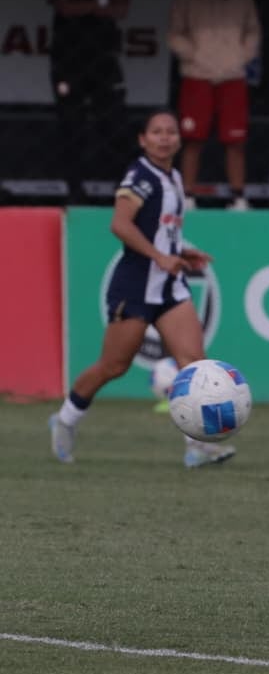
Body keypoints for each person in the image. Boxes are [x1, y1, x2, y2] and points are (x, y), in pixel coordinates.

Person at [48, 109, 234, 470]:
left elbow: (162, 232)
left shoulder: (176, 178)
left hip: (170, 287)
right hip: (134, 286)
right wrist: (159, 257)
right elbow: (119, 224)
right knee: (113, 366)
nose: (164, 137)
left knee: (194, 362)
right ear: (143, 140)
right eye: (156, 132)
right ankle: (65, 419)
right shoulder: (140, 176)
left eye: (170, 131)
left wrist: (179, 252)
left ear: (179, 139)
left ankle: (196, 446)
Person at [168, 0, 261, 211]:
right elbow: (174, 34)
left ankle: (238, 196)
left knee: (235, 140)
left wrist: (239, 57)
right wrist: (193, 54)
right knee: (193, 138)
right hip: (196, 75)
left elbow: (253, 31)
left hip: (232, 76)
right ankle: (187, 196)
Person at [45, 0, 131, 204]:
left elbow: (122, 7)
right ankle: (74, 191)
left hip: (104, 58)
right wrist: (99, 2)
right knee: (72, 125)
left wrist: (88, 5)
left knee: (113, 123)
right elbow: (64, 7)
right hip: (68, 59)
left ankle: (121, 189)